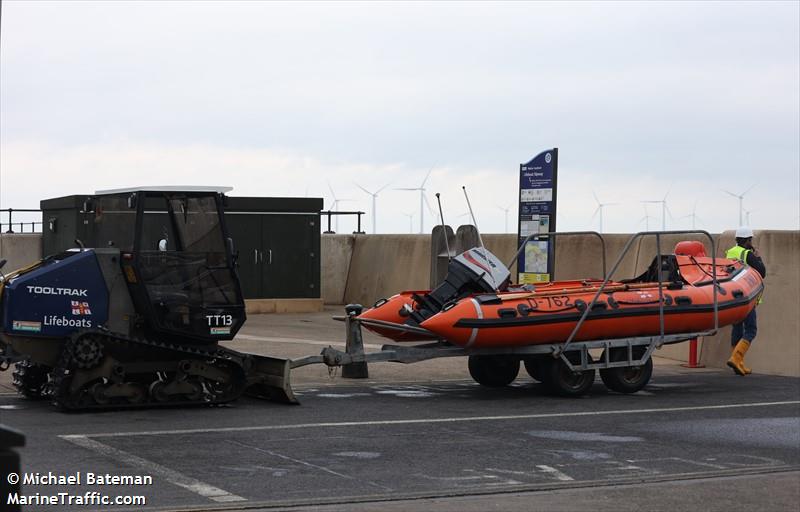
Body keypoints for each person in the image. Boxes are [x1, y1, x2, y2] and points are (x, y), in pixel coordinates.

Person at [725, 226, 766, 376]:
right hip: (747, 296)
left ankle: (738, 362)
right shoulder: (747, 254)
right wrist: (758, 257)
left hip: (734, 297)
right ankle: (736, 358)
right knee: (751, 329)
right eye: (751, 240)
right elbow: (763, 272)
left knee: (737, 328)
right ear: (748, 240)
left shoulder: (730, 252)